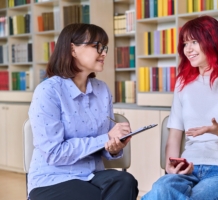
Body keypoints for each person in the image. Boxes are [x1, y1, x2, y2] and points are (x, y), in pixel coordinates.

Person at [142, 15, 218, 200]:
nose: (188, 49)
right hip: (188, 168)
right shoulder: (183, 84)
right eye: (185, 43)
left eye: (194, 42)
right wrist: (171, 167)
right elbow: (174, 137)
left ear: (212, 42)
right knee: (159, 191)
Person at [27, 23, 138, 200]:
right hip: (53, 179)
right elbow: (54, 153)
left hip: (93, 175)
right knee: (95, 196)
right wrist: (105, 138)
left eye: (104, 47)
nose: (104, 53)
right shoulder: (48, 91)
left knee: (125, 181)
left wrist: (114, 147)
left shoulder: (102, 90)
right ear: (72, 49)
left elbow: (105, 147)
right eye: (97, 46)